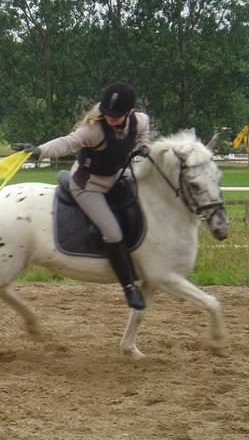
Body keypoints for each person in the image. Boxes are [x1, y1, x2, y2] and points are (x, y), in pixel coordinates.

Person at [12, 82, 151, 310]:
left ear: (129, 113)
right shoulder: (94, 130)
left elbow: (143, 133)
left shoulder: (141, 120)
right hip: (88, 186)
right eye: (107, 113)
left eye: (116, 115)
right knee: (112, 232)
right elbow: (67, 143)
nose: (110, 118)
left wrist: (144, 145)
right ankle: (128, 287)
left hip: (117, 178)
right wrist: (39, 151)